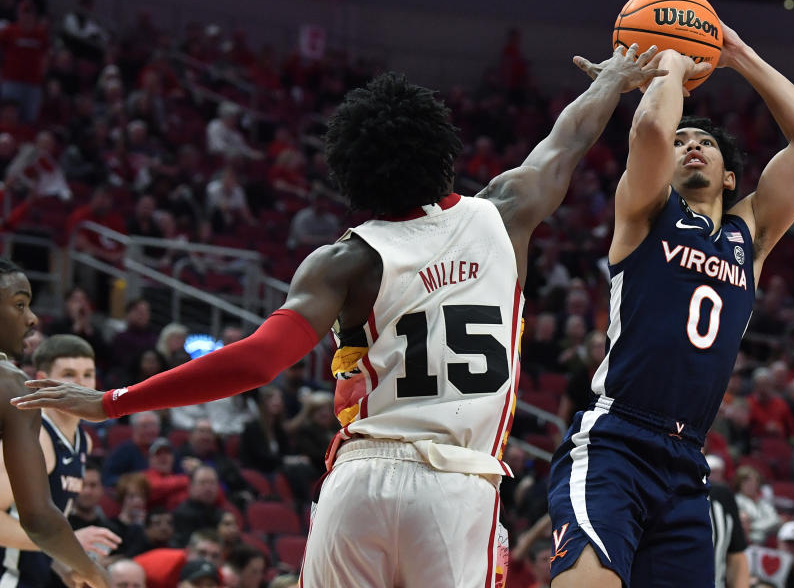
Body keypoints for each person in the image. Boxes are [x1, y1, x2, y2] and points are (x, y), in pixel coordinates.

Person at [12, 47, 670, 587]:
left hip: (360, 479)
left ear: (351, 172)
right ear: (438, 148)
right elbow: (568, 141)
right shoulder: (504, 212)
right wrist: (613, 79)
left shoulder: (343, 260)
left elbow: (256, 360)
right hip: (456, 484)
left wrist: (113, 401)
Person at [547, 21, 794, 586]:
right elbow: (653, 124)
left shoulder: (750, 236)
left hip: (686, 461)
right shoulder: (645, 214)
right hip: (615, 443)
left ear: (730, 177)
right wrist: (673, 61)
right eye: (682, 143)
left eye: (703, 142)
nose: (690, 145)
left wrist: (738, 54)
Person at [0, 260, 109, 587]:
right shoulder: (39, 432)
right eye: (69, 376)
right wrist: (78, 554)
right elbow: (34, 524)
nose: (81, 384)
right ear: (43, 380)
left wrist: (66, 564)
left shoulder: (83, 442)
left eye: (87, 375)